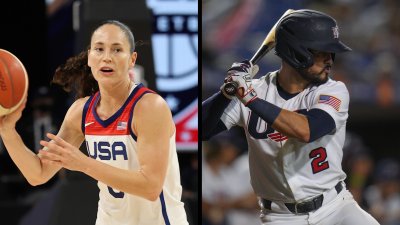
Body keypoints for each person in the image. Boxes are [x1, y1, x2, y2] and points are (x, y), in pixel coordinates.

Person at [0, 20, 188, 225]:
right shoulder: (81, 111)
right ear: (90, 57)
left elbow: (150, 187)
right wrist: (8, 131)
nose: (106, 57)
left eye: (117, 50)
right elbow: (38, 174)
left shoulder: (150, 107)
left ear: (132, 59)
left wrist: (82, 163)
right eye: (99, 49)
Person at [202, 9, 379, 225]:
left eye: (330, 53)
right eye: (320, 52)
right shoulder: (255, 90)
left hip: (336, 208)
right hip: (280, 217)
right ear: (296, 52)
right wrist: (226, 92)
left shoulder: (333, 90)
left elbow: (307, 130)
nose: (329, 60)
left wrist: (249, 98)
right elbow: (202, 128)